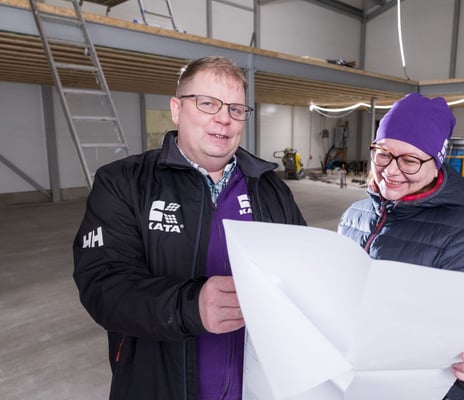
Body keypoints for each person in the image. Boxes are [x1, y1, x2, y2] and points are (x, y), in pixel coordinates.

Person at [73, 56, 306, 400]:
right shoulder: (124, 182)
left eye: (236, 109)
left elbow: (303, 274)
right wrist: (190, 306)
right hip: (158, 387)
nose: (224, 118)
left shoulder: (270, 188)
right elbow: (103, 286)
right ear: (177, 109)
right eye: (208, 103)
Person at [337, 93, 464, 400]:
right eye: (383, 154)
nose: (391, 170)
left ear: (437, 163)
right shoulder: (355, 215)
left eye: (409, 160)